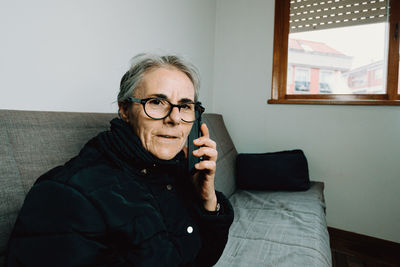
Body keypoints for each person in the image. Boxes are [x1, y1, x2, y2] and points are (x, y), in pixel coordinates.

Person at [6, 54, 234, 266]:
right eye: (156, 102)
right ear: (125, 110)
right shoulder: (66, 194)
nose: (174, 118)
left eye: (185, 106)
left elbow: (204, 258)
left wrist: (207, 199)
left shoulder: (176, 171)